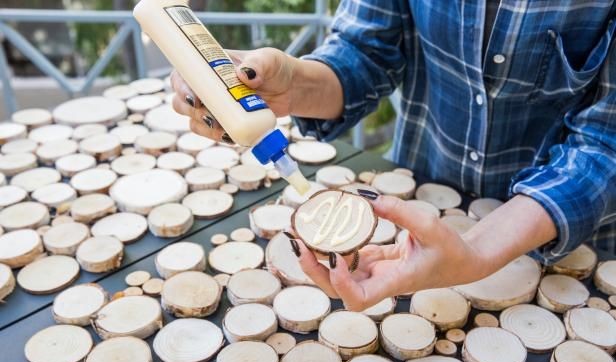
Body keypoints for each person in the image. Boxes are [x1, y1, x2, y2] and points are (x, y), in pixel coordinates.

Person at [171, 1, 616, 310]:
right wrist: (295, 87)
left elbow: (605, 141)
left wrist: (476, 249)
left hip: (575, 249)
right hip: (422, 205)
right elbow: (367, 52)